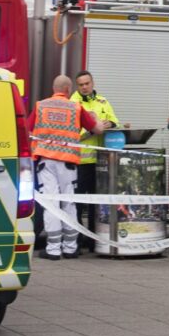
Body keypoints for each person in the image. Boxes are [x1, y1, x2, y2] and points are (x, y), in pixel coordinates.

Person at [30, 75, 100, 260]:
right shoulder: (76, 107)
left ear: (54, 88)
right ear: (69, 90)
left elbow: (29, 129)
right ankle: (70, 247)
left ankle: (53, 249)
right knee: (69, 202)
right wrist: (96, 118)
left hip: (46, 162)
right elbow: (97, 129)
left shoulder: (41, 106)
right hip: (68, 163)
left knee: (51, 204)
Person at [73, 72, 120, 239]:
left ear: (92, 83)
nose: (85, 87)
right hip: (79, 162)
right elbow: (72, 134)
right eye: (81, 84)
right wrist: (92, 128)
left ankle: (93, 240)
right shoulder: (73, 103)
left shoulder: (102, 101)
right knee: (76, 204)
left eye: (87, 83)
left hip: (99, 161)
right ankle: (77, 240)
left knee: (95, 204)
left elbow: (115, 120)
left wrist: (109, 123)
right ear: (76, 86)